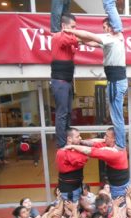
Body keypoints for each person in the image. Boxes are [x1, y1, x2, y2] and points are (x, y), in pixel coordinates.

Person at [64, 17, 128, 151]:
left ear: (111, 27)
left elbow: (89, 35)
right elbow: (92, 42)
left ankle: (120, 144)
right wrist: (79, 41)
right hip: (115, 80)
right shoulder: (113, 39)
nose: (104, 30)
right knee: (116, 116)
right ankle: (121, 143)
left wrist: (69, 31)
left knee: (116, 117)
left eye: (105, 27)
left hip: (115, 81)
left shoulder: (112, 37)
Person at [65, 127, 130, 199]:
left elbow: (90, 151)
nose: (104, 138)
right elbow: (95, 142)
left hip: (119, 188)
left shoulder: (115, 153)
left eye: (107, 136)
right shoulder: (112, 145)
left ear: (114, 139)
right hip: (115, 184)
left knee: (119, 207)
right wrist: (81, 141)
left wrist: (72, 146)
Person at [51, 13, 79, 149]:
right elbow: (75, 40)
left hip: (67, 81)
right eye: (72, 27)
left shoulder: (68, 40)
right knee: (62, 113)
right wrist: (75, 36)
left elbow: (75, 43)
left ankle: (67, 139)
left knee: (68, 112)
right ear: (63, 26)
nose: (74, 30)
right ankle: (62, 144)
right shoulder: (58, 37)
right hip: (60, 81)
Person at [56, 127, 88, 202]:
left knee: (77, 210)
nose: (80, 138)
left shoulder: (75, 148)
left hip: (77, 186)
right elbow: (82, 160)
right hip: (69, 190)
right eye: (77, 136)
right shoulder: (63, 152)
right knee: (71, 212)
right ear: (69, 139)